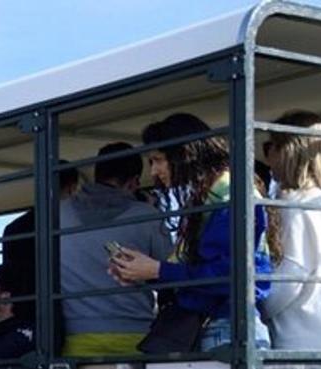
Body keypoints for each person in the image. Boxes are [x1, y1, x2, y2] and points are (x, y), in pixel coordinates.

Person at [108, 113, 274, 352]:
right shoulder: (220, 192)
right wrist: (143, 272)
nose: (153, 171)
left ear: (183, 155)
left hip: (225, 330)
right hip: (224, 328)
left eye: (157, 160)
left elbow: (229, 275)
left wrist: (157, 270)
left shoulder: (225, 195)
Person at [59, 143, 172, 355]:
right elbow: (170, 273)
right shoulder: (148, 216)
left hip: (74, 336)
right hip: (137, 336)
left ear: (96, 173)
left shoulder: (58, 215)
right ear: (134, 182)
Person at [260, 110, 321, 351]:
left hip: (300, 342)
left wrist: (255, 308)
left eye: (268, 147)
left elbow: (290, 277)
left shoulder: (294, 204)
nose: (266, 157)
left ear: (287, 151)